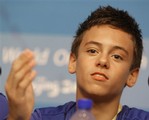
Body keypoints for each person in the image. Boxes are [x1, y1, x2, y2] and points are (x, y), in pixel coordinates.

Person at [5, 5, 149, 120]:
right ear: (73, 61)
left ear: (132, 76)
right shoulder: (42, 117)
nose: (103, 61)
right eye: (93, 51)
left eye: (117, 56)